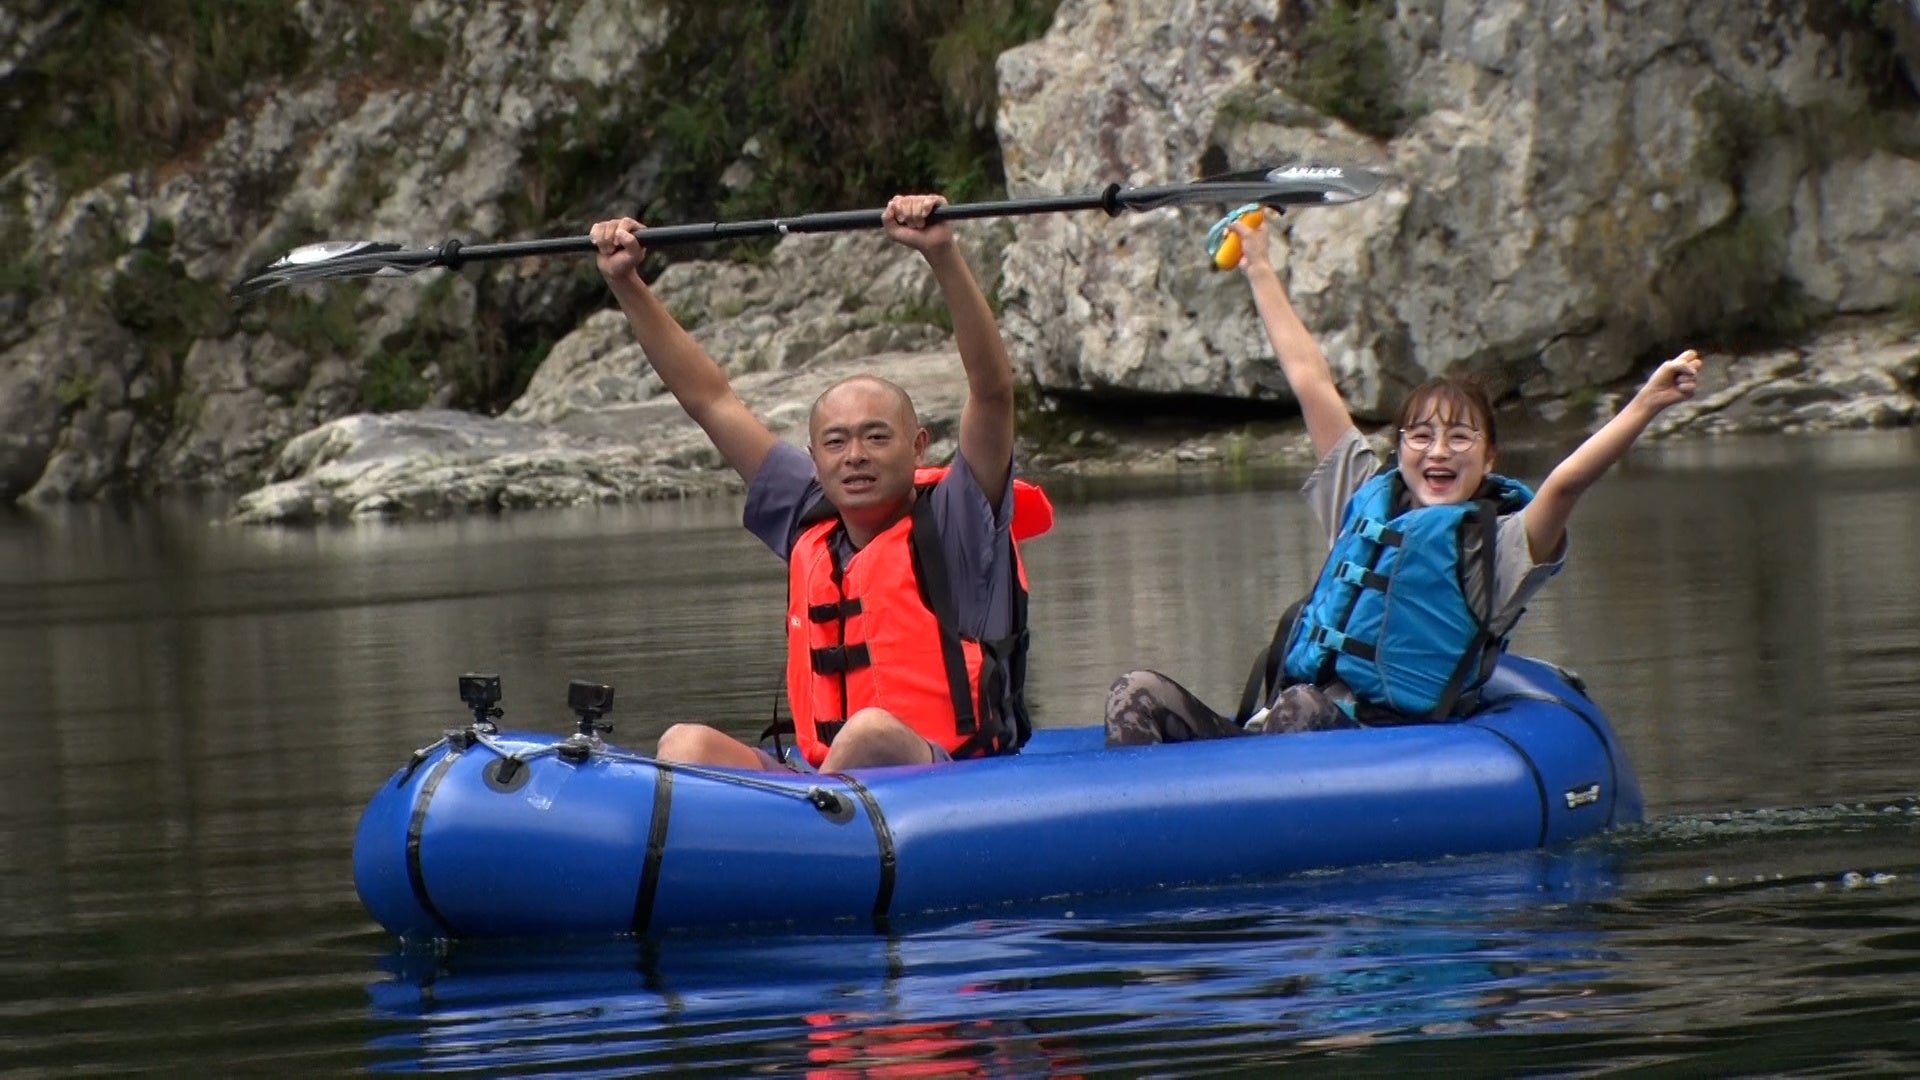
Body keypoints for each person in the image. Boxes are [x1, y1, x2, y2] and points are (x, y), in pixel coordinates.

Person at [1106, 209, 1703, 745]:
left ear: (1489, 458)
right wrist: (1259, 263)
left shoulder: (1499, 547)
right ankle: (1132, 841)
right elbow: (1309, 377)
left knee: (1300, 708)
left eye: (1460, 437)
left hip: (1371, 745)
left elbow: (1566, 484)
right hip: (1283, 725)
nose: (1438, 451)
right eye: (1420, 436)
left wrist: (1645, 405)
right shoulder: (1363, 494)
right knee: (1136, 691)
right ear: (1400, 449)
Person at [591, 194, 1040, 772]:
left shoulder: (959, 518)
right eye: (836, 442)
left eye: (877, 437)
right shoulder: (811, 513)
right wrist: (627, 282)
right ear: (814, 456)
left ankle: (813, 834)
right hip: (828, 787)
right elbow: (711, 400)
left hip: (947, 780)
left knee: (869, 732)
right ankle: (795, 829)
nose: (854, 456)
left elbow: (993, 392)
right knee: (684, 744)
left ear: (919, 447)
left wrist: (942, 254)